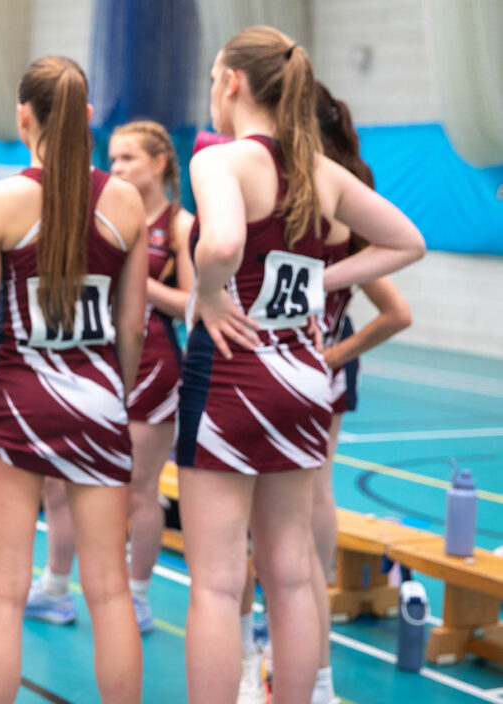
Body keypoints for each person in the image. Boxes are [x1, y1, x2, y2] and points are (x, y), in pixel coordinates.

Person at [178, 25, 424, 704]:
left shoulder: (222, 160)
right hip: (303, 378)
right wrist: (319, 279)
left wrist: (210, 292)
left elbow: (221, 243)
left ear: (233, 82)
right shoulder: (323, 171)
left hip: (231, 375)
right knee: (290, 574)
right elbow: (408, 242)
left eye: (213, 80)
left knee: (217, 583)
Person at [0, 55, 149, 703]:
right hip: (98, 400)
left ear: (22, 117)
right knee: (110, 591)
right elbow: (133, 327)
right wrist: (113, 398)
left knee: (2, 593)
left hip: (17, 403)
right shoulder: (125, 201)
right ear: (87, 116)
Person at [25, 120, 194, 634]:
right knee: (57, 482)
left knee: (139, 490)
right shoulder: (102, 212)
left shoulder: (181, 224)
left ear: (159, 163)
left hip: (152, 364)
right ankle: (55, 587)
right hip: (91, 358)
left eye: (128, 158)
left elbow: (192, 304)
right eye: (113, 158)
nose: (116, 167)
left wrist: (137, 278)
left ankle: (137, 595)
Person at [308, 80, 412, 704]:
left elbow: (397, 312)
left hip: (315, 367)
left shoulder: (340, 209)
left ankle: (302, 636)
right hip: (293, 368)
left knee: (311, 494)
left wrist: (333, 355)